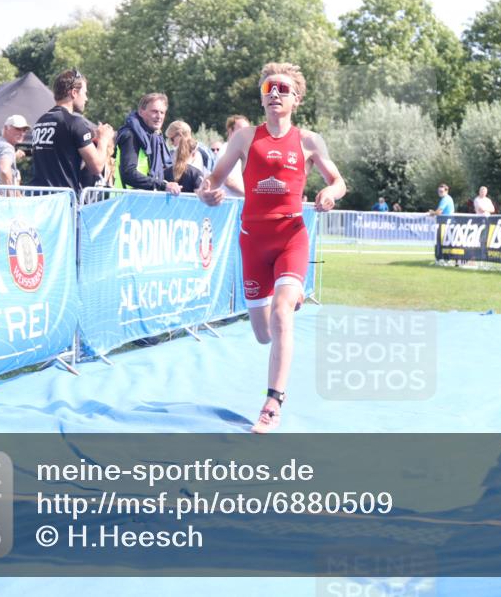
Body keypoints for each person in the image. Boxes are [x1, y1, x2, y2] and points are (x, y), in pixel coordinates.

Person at [197, 62, 346, 433]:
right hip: (253, 241)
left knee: (282, 314)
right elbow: (212, 178)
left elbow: (338, 180)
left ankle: (272, 403)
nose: (275, 94)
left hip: (291, 236)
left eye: (282, 89)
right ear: (262, 98)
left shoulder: (310, 141)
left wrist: (329, 192)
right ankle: (285, 292)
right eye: (268, 89)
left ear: (296, 99)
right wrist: (208, 193)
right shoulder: (245, 138)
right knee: (263, 333)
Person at [31, 68, 115, 195]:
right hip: (61, 202)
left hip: (40, 199)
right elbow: (96, 167)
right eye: (85, 93)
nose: (86, 98)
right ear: (74, 92)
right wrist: (104, 138)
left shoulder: (40, 121)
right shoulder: (75, 122)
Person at [116, 93, 179, 194]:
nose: (159, 116)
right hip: (126, 201)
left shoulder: (155, 137)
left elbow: (163, 171)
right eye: (154, 111)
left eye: (162, 113)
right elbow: (128, 174)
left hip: (145, 200)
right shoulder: (131, 135)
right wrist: (162, 185)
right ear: (141, 112)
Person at [0, 115, 30, 187]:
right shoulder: (7, 147)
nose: (22, 133)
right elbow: (4, 171)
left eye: (24, 130)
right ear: (6, 128)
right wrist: (10, 195)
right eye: (18, 129)